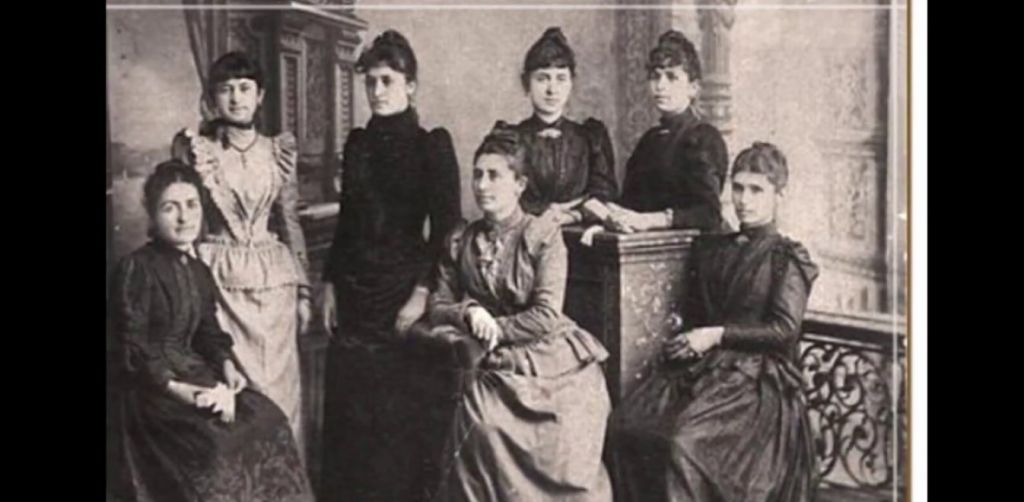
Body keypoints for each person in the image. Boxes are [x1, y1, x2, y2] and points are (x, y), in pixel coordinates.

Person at [608, 142, 819, 502]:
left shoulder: (785, 258)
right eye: (738, 188)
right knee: (625, 426)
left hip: (757, 383)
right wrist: (691, 340)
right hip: (704, 368)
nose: (744, 200)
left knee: (683, 444)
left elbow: (784, 331)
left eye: (757, 190)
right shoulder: (715, 248)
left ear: (779, 195)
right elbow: (697, 313)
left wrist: (717, 335)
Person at [107, 160, 313, 502]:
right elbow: (134, 347)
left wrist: (228, 366)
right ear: (153, 215)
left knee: (269, 419)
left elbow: (208, 333)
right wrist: (181, 391)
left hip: (196, 375)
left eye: (192, 205)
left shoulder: (199, 269)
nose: (184, 218)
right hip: (151, 394)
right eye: (170, 208)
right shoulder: (137, 268)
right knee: (216, 448)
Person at [430, 124, 613, 501]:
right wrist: (470, 312)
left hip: (553, 366)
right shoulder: (462, 239)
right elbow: (438, 305)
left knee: (557, 439)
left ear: (520, 184)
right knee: (480, 427)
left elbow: (546, 315)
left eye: (494, 175)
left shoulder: (543, 235)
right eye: (477, 175)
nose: (482, 185)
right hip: (494, 362)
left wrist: (495, 328)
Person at [318, 29, 463, 502]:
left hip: (402, 291)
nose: (377, 91)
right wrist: (329, 283)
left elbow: (446, 231)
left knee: (396, 415)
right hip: (354, 291)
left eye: (387, 81)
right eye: (371, 82)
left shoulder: (431, 146)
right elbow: (347, 222)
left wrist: (422, 292)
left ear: (411, 86)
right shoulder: (359, 143)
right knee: (351, 412)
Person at [171, 51, 311, 455]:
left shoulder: (278, 150)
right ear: (213, 97)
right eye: (226, 89)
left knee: (282, 397)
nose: (236, 98)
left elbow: (289, 221)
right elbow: (188, 223)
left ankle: (285, 482)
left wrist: (303, 293)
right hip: (221, 284)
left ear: (260, 95)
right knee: (235, 395)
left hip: (276, 286)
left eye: (245, 88)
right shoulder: (200, 151)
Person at [610, 30, 729, 234]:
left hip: (697, 247)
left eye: (672, 77)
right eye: (655, 77)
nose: (660, 86)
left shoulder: (703, 138)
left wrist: (652, 220)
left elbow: (708, 213)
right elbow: (631, 202)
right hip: (649, 246)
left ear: (693, 88)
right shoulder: (649, 141)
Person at [508, 26, 618, 224]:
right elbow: (502, 196)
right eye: (542, 79)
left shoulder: (590, 138)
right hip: (525, 233)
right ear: (526, 83)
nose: (552, 90)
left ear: (571, 83)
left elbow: (604, 194)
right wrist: (544, 211)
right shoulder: (510, 139)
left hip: (579, 234)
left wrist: (572, 216)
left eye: (561, 79)